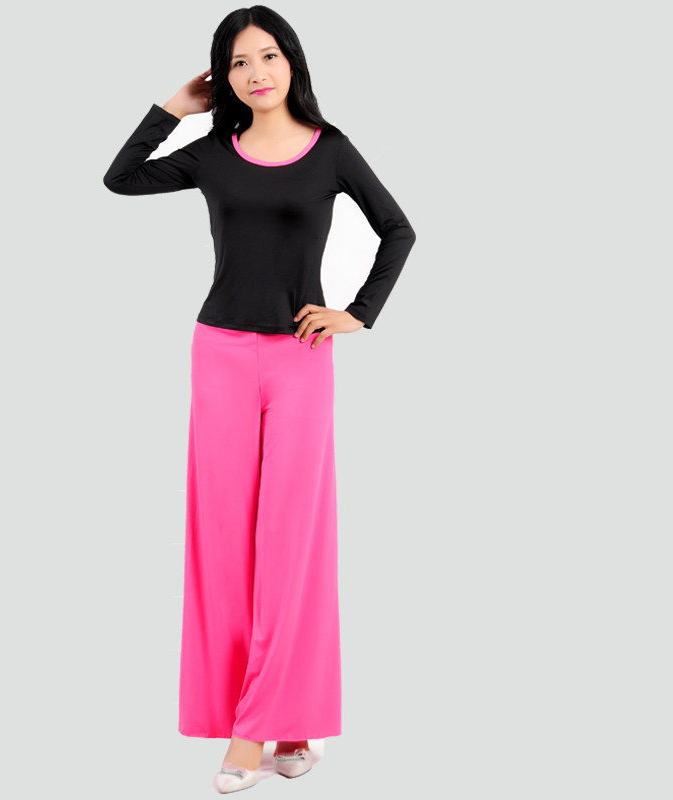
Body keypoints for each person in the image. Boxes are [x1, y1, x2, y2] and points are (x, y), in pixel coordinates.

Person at [103, 5, 416, 794]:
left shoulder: (330, 148)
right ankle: (285, 724)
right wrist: (174, 107)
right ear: (225, 77)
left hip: (301, 358)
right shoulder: (213, 152)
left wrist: (359, 313)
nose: (256, 73)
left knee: (290, 544)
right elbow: (121, 178)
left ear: (293, 62)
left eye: (268, 56)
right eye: (239, 62)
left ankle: (257, 732)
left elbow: (398, 230)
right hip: (219, 356)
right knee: (223, 545)